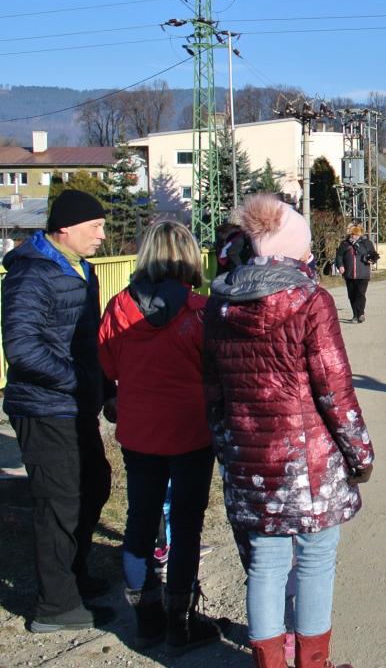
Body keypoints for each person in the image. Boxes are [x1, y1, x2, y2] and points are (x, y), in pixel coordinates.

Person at [204, 194, 374, 668]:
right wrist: (360, 454)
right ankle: (313, 663)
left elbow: (213, 393)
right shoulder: (311, 301)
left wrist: (227, 451)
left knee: (265, 564)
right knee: (315, 559)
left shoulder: (220, 304)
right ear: (294, 247)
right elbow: (334, 389)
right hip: (309, 464)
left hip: (248, 459)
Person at [98, 221, 221, 651]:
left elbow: (108, 365)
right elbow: (216, 370)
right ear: (188, 256)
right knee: (186, 526)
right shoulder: (200, 311)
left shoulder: (119, 307)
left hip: (139, 432)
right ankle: (180, 625)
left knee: (140, 520)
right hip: (191, 432)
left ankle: (147, 621)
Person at [1, 190, 115, 633]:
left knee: (94, 485)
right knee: (59, 503)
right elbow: (22, 348)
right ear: (65, 227)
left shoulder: (81, 269)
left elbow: (89, 340)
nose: (102, 235)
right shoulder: (32, 273)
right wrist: (77, 380)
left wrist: (104, 387)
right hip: (43, 406)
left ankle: (74, 576)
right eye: (95, 227)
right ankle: (56, 606)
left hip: (75, 404)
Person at [334, 225, 378, 323]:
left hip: (363, 274)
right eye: (353, 234)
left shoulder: (367, 243)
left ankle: (361, 314)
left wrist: (371, 259)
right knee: (352, 295)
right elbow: (339, 256)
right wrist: (340, 266)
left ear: (360, 234)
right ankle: (355, 315)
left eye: (357, 234)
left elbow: (373, 254)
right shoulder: (345, 244)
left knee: (360, 294)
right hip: (349, 274)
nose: (354, 236)